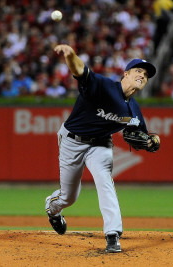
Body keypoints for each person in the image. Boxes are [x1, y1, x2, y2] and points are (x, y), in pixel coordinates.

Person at [44, 44, 160, 253]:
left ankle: (112, 235)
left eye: (145, 74)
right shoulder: (105, 87)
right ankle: (52, 210)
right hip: (72, 140)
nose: (142, 76)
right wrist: (71, 55)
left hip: (100, 144)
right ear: (125, 74)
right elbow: (81, 71)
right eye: (138, 71)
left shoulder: (134, 110)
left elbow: (143, 137)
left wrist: (152, 142)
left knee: (105, 180)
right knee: (69, 196)